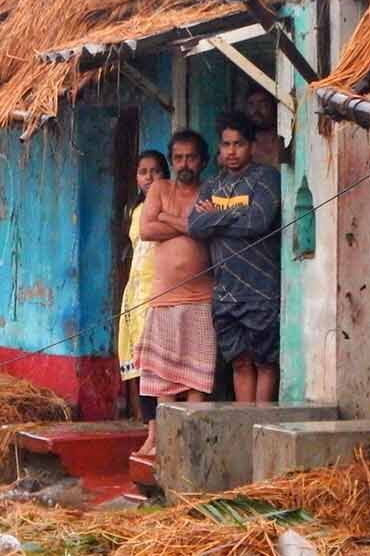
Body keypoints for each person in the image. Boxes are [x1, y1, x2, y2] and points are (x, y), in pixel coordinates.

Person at [187, 113, 282, 403]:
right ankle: (244, 429)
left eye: (238, 144)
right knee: (240, 363)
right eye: (226, 144)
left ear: (251, 146)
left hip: (262, 292)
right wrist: (232, 217)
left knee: (265, 363)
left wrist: (215, 216)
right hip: (225, 294)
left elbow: (259, 222)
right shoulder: (212, 185)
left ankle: (262, 433)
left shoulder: (266, 178)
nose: (231, 151)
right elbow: (195, 226)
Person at [133, 130, 216, 457]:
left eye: (191, 157)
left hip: (200, 300)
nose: (184, 163)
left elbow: (208, 227)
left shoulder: (210, 191)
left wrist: (168, 218)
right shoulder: (160, 188)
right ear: (171, 160)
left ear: (203, 161)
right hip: (164, 300)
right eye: (178, 157)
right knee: (163, 383)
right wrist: (188, 222)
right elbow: (146, 229)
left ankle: (189, 453)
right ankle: (167, 450)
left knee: (197, 382)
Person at [116, 150, 169, 426]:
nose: (149, 177)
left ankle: (163, 426)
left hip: (159, 290)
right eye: (143, 172)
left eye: (155, 171)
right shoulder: (135, 210)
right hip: (136, 293)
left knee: (160, 365)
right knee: (140, 364)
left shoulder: (170, 205)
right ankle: (149, 426)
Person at [242, 84, 283, 167]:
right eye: (251, 105)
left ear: (273, 106)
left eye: (262, 104)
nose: (256, 111)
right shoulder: (242, 143)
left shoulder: (284, 140)